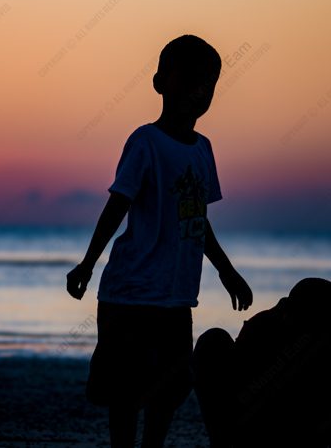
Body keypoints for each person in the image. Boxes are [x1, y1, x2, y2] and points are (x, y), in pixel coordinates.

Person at [66, 34, 253, 448]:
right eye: (188, 81)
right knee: (125, 390)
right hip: (131, 293)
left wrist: (227, 270)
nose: (197, 92)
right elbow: (117, 206)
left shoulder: (203, 150)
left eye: (207, 84)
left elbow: (197, 220)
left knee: (169, 387)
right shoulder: (146, 142)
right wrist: (87, 263)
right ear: (160, 82)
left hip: (176, 297)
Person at [191, 277, 331, 448]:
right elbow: (234, 382)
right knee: (213, 339)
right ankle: (221, 441)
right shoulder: (263, 325)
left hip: (310, 422)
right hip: (254, 421)